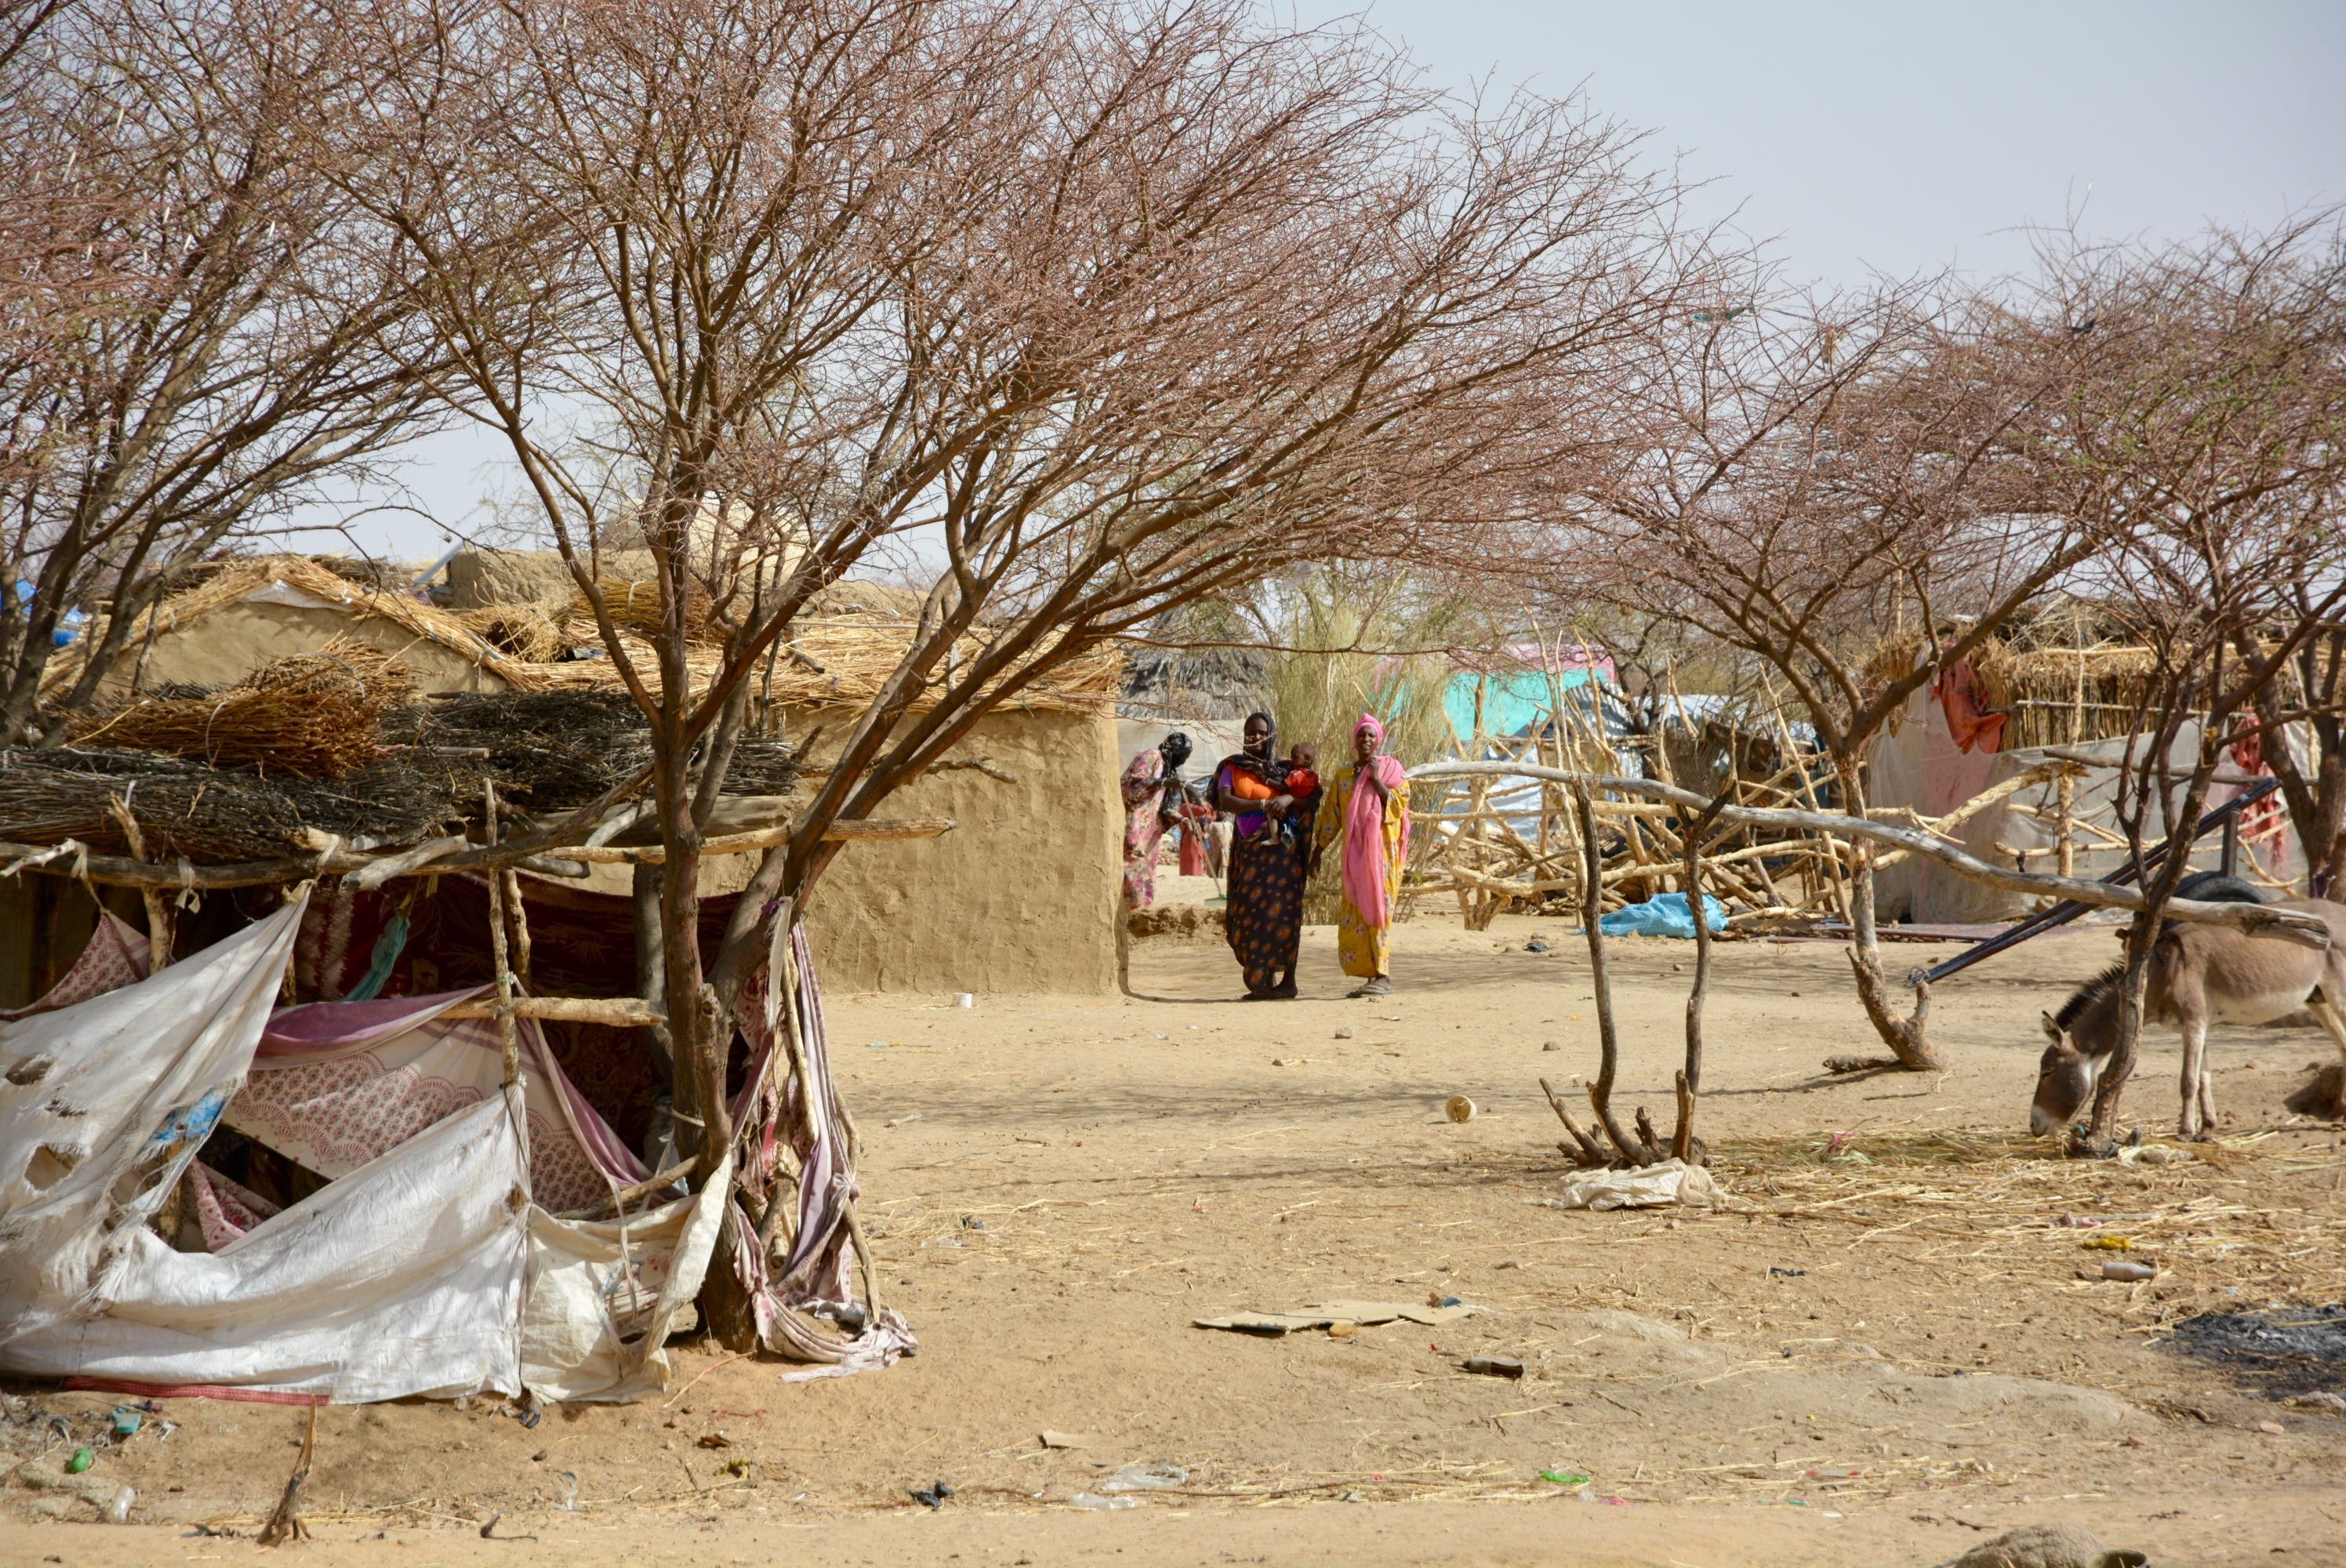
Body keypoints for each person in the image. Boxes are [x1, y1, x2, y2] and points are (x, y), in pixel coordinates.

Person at [1315, 713, 1411, 997]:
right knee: (1358, 912)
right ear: (1354, 740)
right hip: (1355, 856)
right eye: (1361, 735)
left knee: (1380, 911)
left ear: (1378, 740)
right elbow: (1333, 814)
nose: (1366, 739)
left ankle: (1384, 975)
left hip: (1383, 856)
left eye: (1371, 735)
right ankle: (1371, 976)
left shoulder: (1392, 770)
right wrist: (1318, 850)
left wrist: (1377, 778)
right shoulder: (1344, 775)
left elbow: (1397, 808)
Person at [1213, 712, 1303, 999]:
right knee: (1251, 914)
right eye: (1249, 732)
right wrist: (1265, 803)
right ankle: (1262, 979)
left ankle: (1288, 981)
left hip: (1281, 857)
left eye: (1260, 732)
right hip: (1250, 855)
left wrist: (1288, 798)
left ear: (1271, 735)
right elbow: (1226, 800)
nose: (1253, 737)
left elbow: (1312, 796)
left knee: (1281, 914)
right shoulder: (1232, 767)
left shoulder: (1287, 770)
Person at [1120, 731, 1192, 910]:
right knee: (1133, 862)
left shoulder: (1168, 767)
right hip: (1135, 822)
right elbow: (1133, 784)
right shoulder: (1152, 756)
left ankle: (1144, 909)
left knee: (1148, 867)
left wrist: (1183, 819)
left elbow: (1163, 806)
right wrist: (1165, 782)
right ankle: (1132, 907)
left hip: (1151, 829)